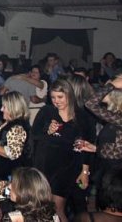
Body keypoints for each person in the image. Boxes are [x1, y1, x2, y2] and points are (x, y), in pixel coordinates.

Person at [32, 79, 96, 222]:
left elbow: (88, 145)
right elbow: (34, 136)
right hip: (46, 165)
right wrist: (47, 131)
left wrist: (85, 171)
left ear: (69, 95)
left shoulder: (82, 116)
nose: (56, 101)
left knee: (58, 208)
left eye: (60, 97)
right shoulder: (47, 112)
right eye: (53, 97)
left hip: (69, 167)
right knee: (44, 208)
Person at [0, 91, 31, 195]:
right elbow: (5, 142)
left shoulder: (17, 127)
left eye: (4, 107)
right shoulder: (9, 124)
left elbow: (13, 153)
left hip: (8, 176)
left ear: (13, 108)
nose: (1, 109)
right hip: (2, 175)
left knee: (4, 201)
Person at [78, 73, 122, 185]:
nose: (101, 91)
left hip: (116, 174)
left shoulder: (120, 118)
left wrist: (111, 85)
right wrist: (96, 148)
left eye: (105, 89)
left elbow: (90, 104)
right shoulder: (116, 117)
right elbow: (118, 149)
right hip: (110, 169)